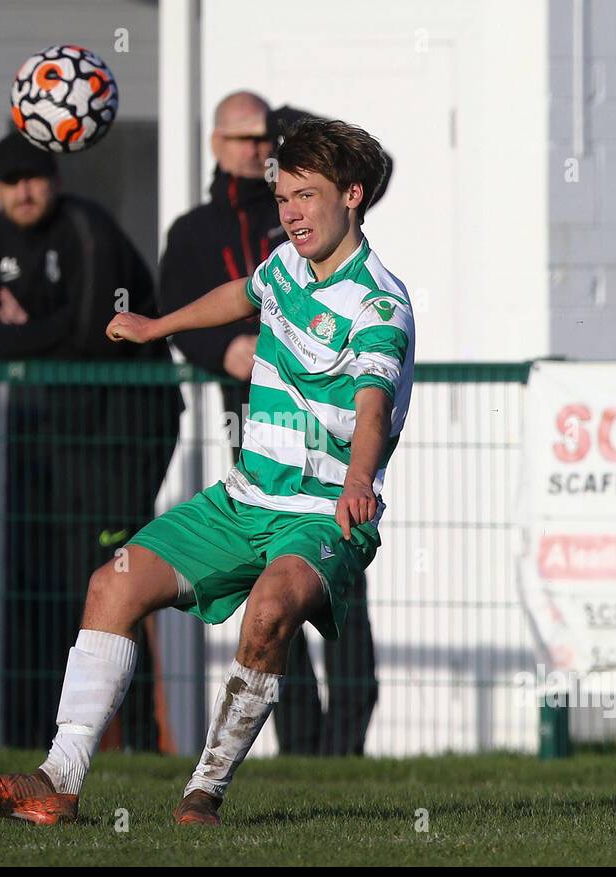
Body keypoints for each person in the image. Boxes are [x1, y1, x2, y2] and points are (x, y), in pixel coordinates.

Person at [0, 118, 415, 825]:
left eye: (307, 196)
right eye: (283, 196)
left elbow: (373, 400)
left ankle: (203, 794)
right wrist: (155, 326)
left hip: (322, 514)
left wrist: (359, 480)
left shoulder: (379, 301)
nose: (290, 212)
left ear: (352, 196)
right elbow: (242, 293)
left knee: (269, 609)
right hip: (241, 501)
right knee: (110, 585)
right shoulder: (288, 265)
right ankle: (58, 781)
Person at [161, 90, 393, 756]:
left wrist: (306, 129)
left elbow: (373, 169)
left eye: (268, 137)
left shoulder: (300, 213)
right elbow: (187, 307)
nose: (258, 149)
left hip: (332, 452)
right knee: (276, 599)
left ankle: (346, 743)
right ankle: (298, 741)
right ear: (216, 146)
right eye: (243, 139)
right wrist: (222, 349)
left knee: (336, 592)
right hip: (256, 430)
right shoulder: (196, 231)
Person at [0, 131, 182, 752]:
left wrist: (32, 326)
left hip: (121, 433)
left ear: (56, 180)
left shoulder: (87, 227)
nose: (24, 191)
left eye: (34, 177)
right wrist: (54, 328)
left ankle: (143, 741)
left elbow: (97, 334)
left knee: (117, 581)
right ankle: (40, 743)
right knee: (47, 584)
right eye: (11, 182)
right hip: (53, 434)